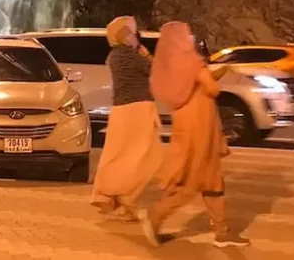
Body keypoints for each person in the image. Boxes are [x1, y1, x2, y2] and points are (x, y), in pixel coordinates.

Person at [140, 21, 249, 248]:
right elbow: (212, 89)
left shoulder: (170, 64)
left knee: (211, 178)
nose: (190, 38)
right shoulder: (191, 61)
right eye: (187, 35)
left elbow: (191, 85)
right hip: (201, 125)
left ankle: (222, 231)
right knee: (193, 180)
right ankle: (155, 217)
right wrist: (216, 73)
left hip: (186, 122)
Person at [91, 16, 162, 221]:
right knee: (147, 157)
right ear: (125, 34)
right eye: (132, 31)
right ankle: (123, 197)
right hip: (137, 109)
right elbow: (155, 68)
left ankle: (112, 198)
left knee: (121, 154)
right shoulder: (129, 55)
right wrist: (141, 48)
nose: (136, 34)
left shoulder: (115, 55)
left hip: (124, 110)